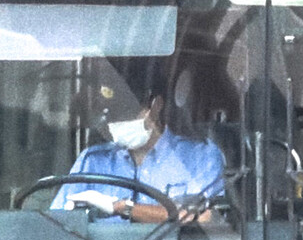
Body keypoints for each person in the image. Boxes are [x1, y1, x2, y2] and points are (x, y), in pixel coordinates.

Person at [53, 84, 226, 224]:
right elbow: (55, 224)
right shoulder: (92, 161)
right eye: (113, 116)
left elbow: (204, 218)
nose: (119, 123)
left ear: (156, 106)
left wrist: (121, 207)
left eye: (127, 113)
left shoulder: (199, 156)